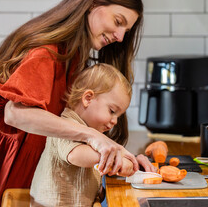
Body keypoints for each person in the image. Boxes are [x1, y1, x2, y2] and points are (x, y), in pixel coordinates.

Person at [0, 0, 155, 207]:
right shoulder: (49, 52)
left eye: (126, 29)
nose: (120, 37)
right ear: (94, 1)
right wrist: (93, 136)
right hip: (9, 168)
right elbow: (15, 113)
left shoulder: (74, 57)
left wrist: (124, 159)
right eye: (118, 21)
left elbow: (73, 129)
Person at [30, 63, 135, 206]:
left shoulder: (93, 132)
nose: (115, 121)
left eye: (119, 116)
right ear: (88, 98)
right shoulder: (65, 125)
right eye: (112, 111)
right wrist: (114, 160)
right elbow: (76, 155)